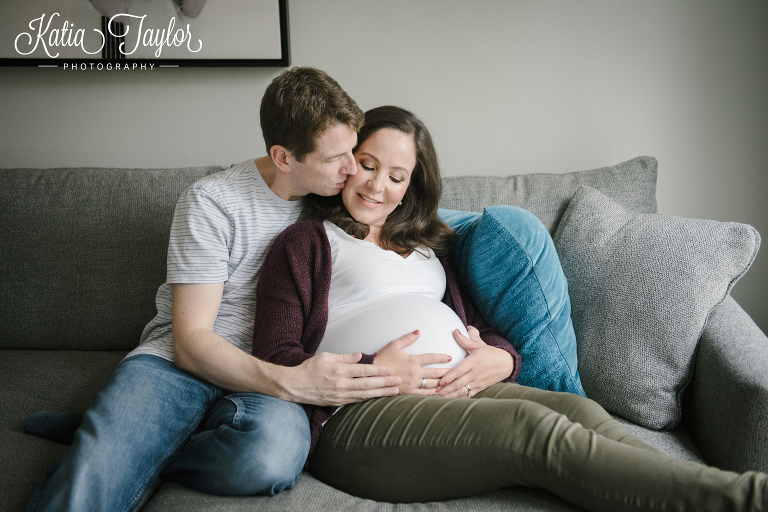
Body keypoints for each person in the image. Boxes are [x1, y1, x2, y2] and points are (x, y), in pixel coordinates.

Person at [251, 105, 768, 511]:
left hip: (467, 390)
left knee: (582, 412)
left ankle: (706, 491)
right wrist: (374, 372)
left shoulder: (429, 246)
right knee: (535, 435)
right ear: (346, 163)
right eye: (366, 165)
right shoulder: (305, 242)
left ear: (413, 184)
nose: (376, 185)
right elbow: (275, 355)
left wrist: (502, 359)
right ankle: (741, 498)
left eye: (396, 175)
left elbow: (480, 327)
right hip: (359, 417)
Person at [27, 67, 439, 512]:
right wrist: (296, 381)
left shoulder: (341, 202)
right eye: (336, 158)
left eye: (353, 151)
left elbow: (413, 214)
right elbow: (190, 343)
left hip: (267, 369)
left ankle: (134, 443)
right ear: (284, 157)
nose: (354, 169)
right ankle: (119, 440)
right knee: (96, 472)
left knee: (269, 460)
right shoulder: (213, 202)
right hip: (181, 365)